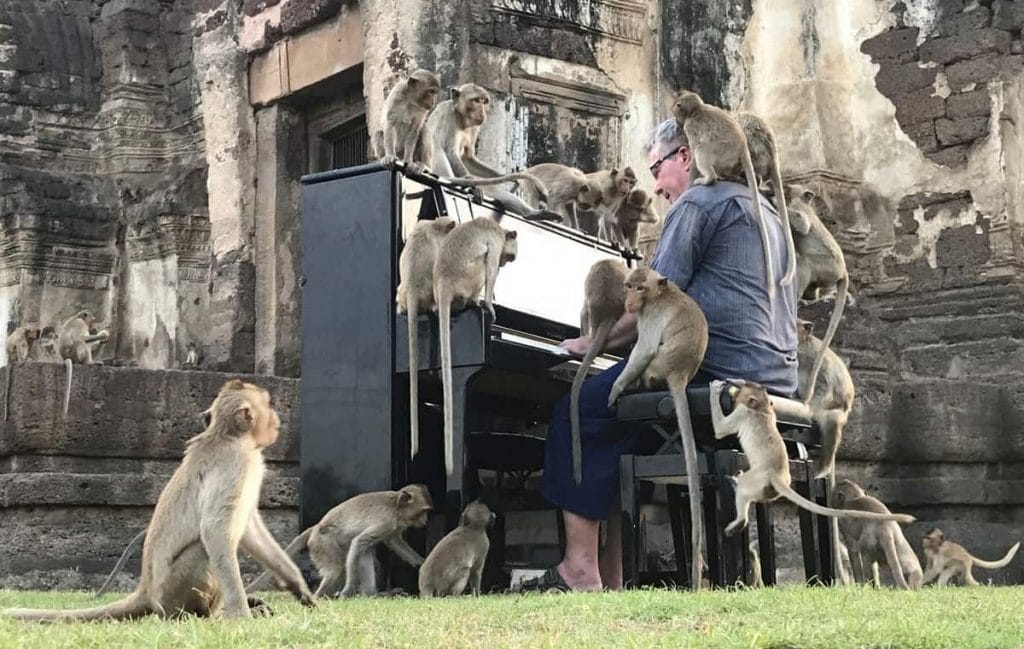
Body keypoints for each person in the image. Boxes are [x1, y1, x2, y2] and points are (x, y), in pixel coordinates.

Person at [520, 117, 798, 592]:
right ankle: (613, 574)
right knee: (622, 425)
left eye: (657, 169)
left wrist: (592, 342)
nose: (655, 187)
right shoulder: (769, 212)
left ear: (685, 156)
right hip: (774, 376)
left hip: (714, 370)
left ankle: (579, 569)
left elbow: (650, 302)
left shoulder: (699, 202)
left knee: (578, 408)